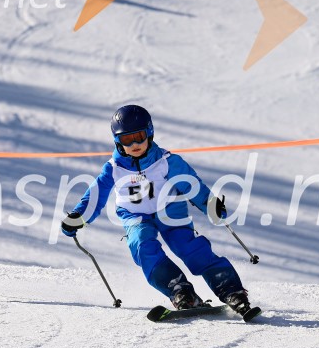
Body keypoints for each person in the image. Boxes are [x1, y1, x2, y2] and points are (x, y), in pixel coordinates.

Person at [61, 105, 254, 316]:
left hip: (170, 210)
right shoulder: (114, 169)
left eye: (139, 137)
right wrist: (78, 217)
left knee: (188, 247)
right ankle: (179, 290)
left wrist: (210, 204)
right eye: (127, 139)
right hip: (134, 215)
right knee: (142, 245)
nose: (134, 144)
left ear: (149, 133)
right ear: (118, 141)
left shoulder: (167, 161)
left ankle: (231, 290)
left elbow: (191, 184)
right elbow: (95, 195)